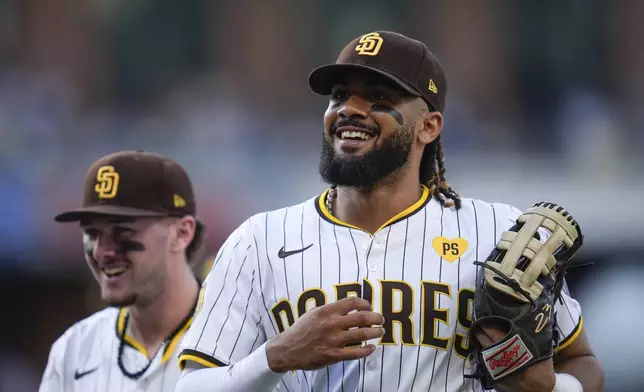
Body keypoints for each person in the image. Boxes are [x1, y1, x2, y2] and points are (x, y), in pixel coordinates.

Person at [175, 31, 604, 392]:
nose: (349, 109)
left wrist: (548, 388)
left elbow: (583, 364)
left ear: (429, 126)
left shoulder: (495, 230)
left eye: (378, 98)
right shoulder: (259, 241)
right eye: (339, 96)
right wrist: (277, 356)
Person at [38, 150, 205, 392]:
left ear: (182, 233)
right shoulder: (73, 350)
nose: (101, 252)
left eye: (123, 232)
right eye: (92, 234)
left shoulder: (241, 341)